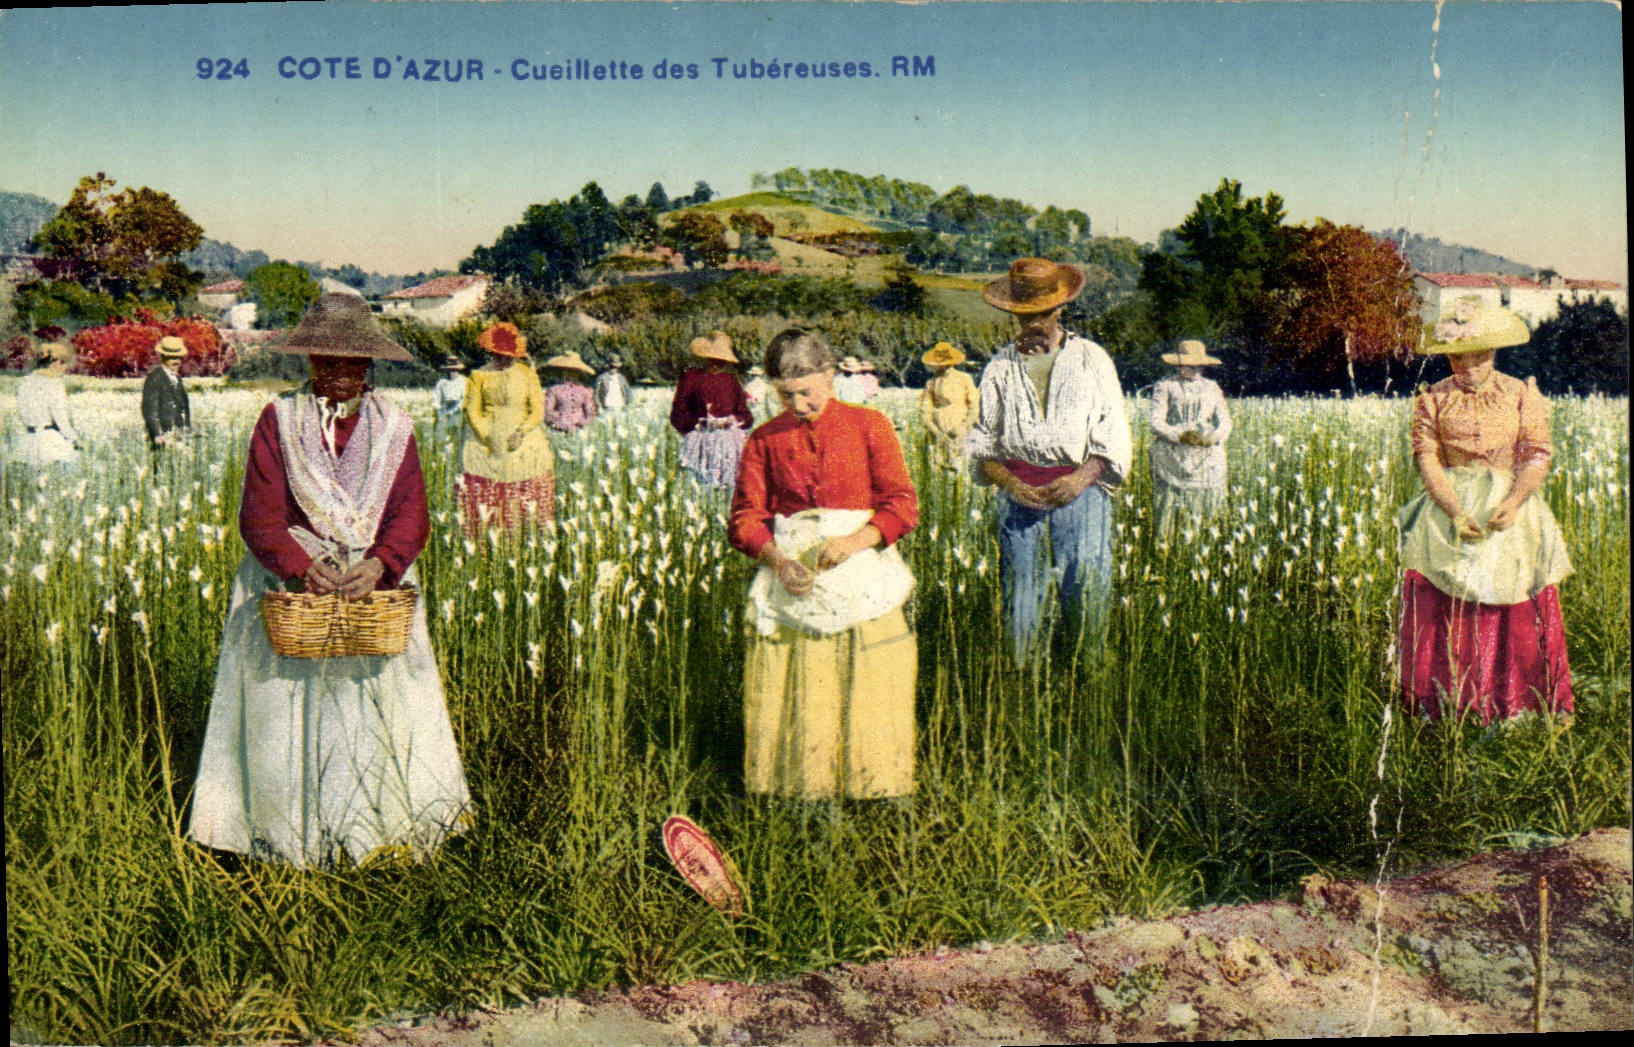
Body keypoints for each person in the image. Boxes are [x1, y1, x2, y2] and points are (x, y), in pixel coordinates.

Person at [189, 293, 473, 868]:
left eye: (352, 363)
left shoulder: (396, 427)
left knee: (380, 704)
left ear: (370, 366)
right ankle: (284, 841)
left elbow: (411, 512)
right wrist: (299, 566)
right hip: (294, 583)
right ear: (309, 361)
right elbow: (259, 513)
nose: (338, 374)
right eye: (326, 361)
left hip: (373, 588)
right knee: (283, 710)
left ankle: (380, 835)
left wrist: (382, 563)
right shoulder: (279, 419)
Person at [730, 329, 920, 800]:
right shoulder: (763, 440)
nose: (798, 404)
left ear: (830, 376)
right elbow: (745, 517)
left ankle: (875, 786)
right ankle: (804, 792)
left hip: (861, 568)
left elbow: (902, 504)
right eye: (785, 395)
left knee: (871, 675)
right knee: (804, 680)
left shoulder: (869, 425)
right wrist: (776, 560)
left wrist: (858, 539)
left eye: (807, 392)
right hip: (797, 570)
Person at [1397, 303, 1573, 724]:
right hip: (1449, 509)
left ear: (1493, 353)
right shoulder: (1432, 399)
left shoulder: (1519, 393)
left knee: (1512, 600)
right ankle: (1447, 705)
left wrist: (1514, 501)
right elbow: (1427, 460)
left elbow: (1536, 452)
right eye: (1458, 356)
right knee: (1444, 601)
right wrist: (1454, 511)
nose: (1467, 365)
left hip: (1508, 505)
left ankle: (1515, 705)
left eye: (1477, 355)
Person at [966, 258, 1132, 668]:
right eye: (1023, 316)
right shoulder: (999, 368)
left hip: (1081, 492)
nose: (1033, 324)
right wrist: (1011, 484)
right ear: (1011, 315)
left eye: (1041, 313)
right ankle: (1024, 683)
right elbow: (982, 445)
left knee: (1086, 587)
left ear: (1059, 309)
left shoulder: (1091, 359)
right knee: (1020, 595)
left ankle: (1087, 677)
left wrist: (1083, 478)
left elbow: (1114, 429)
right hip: (1020, 496)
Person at [460, 323, 555, 536]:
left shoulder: (527, 374)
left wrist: (522, 432)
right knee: (489, 485)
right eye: (501, 355)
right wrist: (487, 436)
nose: (506, 360)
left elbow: (536, 410)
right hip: (488, 437)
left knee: (528, 479)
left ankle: (528, 534)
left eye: (510, 355)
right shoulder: (478, 376)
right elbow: (473, 411)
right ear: (493, 353)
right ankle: (494, 535)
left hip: (524, 437)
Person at [1148, 339, 1232, 541]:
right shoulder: (1166, 386)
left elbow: (1225, 421)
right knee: (1171, 502)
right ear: (1178, 364)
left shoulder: (1212, 387)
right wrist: (1180, 436)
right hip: (1173, 454)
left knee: (1207, 501)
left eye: (1198, 365)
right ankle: (1169, 548)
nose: (1194, 370)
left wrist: (1213, 438)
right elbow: (1155, 421)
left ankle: (1204, 545)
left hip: (1207, 455)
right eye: (1189, 365)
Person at [670, 331, 753, 489]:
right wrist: (698, 423)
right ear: (706, 358)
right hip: (701, 442)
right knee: (701, 485)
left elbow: (746, 416)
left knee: (729, 486)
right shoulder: (691, 378)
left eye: (720, 360)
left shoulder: (731, 381)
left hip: (730, 444)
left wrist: (735, 421)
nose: (716, 364)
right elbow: (677, 415)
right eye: (713, 359)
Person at [8, 341, 79, 470]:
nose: (65, 368)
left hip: (27, 443)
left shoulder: (25, 383)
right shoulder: (55, 384)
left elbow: (23, 414)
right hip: (50, 444)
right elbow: (61, 420)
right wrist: (75, 439)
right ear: (57, 362)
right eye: (64, 363)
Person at [918, 341, 980, 470]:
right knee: (939, 466)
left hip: (958, 425)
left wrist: (964, 425)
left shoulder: (964, 378)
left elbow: (974, 406)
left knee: (959, 464)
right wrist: (935, 431)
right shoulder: (931, 382)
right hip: (938, 428)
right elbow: (925, 410)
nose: (942, 367)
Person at [142, 335, 192, 449]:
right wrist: (158, 435)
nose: (176, 361)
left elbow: (184, 408)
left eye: (178, 357)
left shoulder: (177, 379)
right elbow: (150, 411)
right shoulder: (154, 378)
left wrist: (186, 431)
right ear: (163, 357)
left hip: (179, 437)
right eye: (171, 357)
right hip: (163, 439)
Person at [542, 350, 598, 434]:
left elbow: (590, 411)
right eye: (567, 370)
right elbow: (548, 411)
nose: (570, 374)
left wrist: (582, 421)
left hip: (580, 430)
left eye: (574, 371)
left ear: (578, 372)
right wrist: (560, 419)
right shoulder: (554, 389)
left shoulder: (584, 391)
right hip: (559, 429)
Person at [432, 354, 467, 443]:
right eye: (450, 370)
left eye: (454, 370)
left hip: (458, 414)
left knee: (456, 441)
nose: (452, 372)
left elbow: (463, 399)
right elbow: (436, 398)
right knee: (441, 440)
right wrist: (439, 410)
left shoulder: (464, 382)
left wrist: (454, 410)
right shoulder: (442, 383)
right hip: (443, 413)